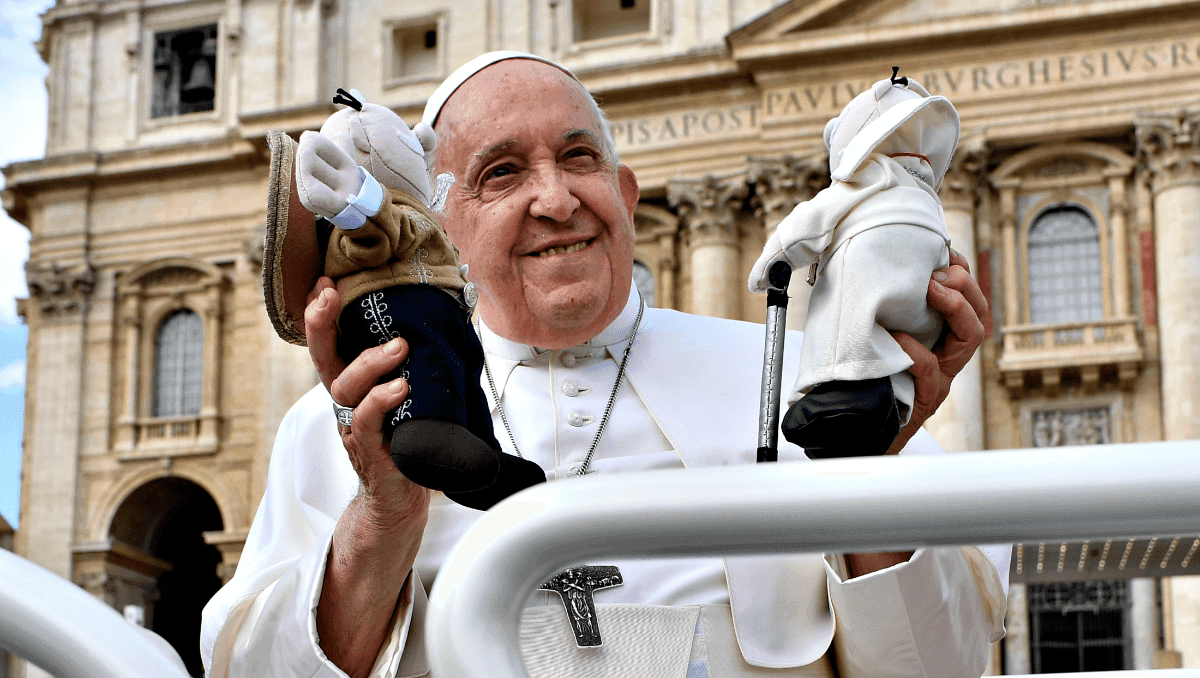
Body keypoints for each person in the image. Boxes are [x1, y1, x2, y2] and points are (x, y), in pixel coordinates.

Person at [201, 51, 1009, 678]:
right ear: (436, 222)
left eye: (579, 159)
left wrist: (871, 476)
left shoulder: (805, 377)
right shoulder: (353, 415)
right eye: (503, 173)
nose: (556, 200)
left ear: (625, 194)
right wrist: (385, 515)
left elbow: (937, 665)